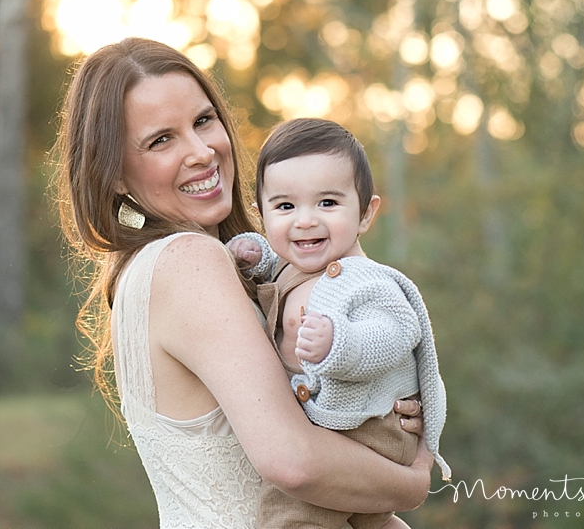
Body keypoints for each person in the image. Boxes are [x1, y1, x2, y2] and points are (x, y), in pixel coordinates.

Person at [52, 37, 433, 529]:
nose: (201, 151)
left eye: (203, 120)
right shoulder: (187, 259)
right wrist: (415, 475)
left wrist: (365, 400)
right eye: (161, 140)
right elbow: (292, 460)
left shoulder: (162, 270)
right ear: (116, 175)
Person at [227, 118, 450, 529]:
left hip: (363, 430)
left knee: (292, 514)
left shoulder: (368, 279)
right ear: (262, 215)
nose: (305, 220)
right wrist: (253, 255)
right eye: (285, 206)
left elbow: (396, 332)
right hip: (342, 427)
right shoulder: (291, 267)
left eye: (327, 203)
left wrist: (341, 346)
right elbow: (273, 269)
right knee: (374, 522)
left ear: (365, 213)